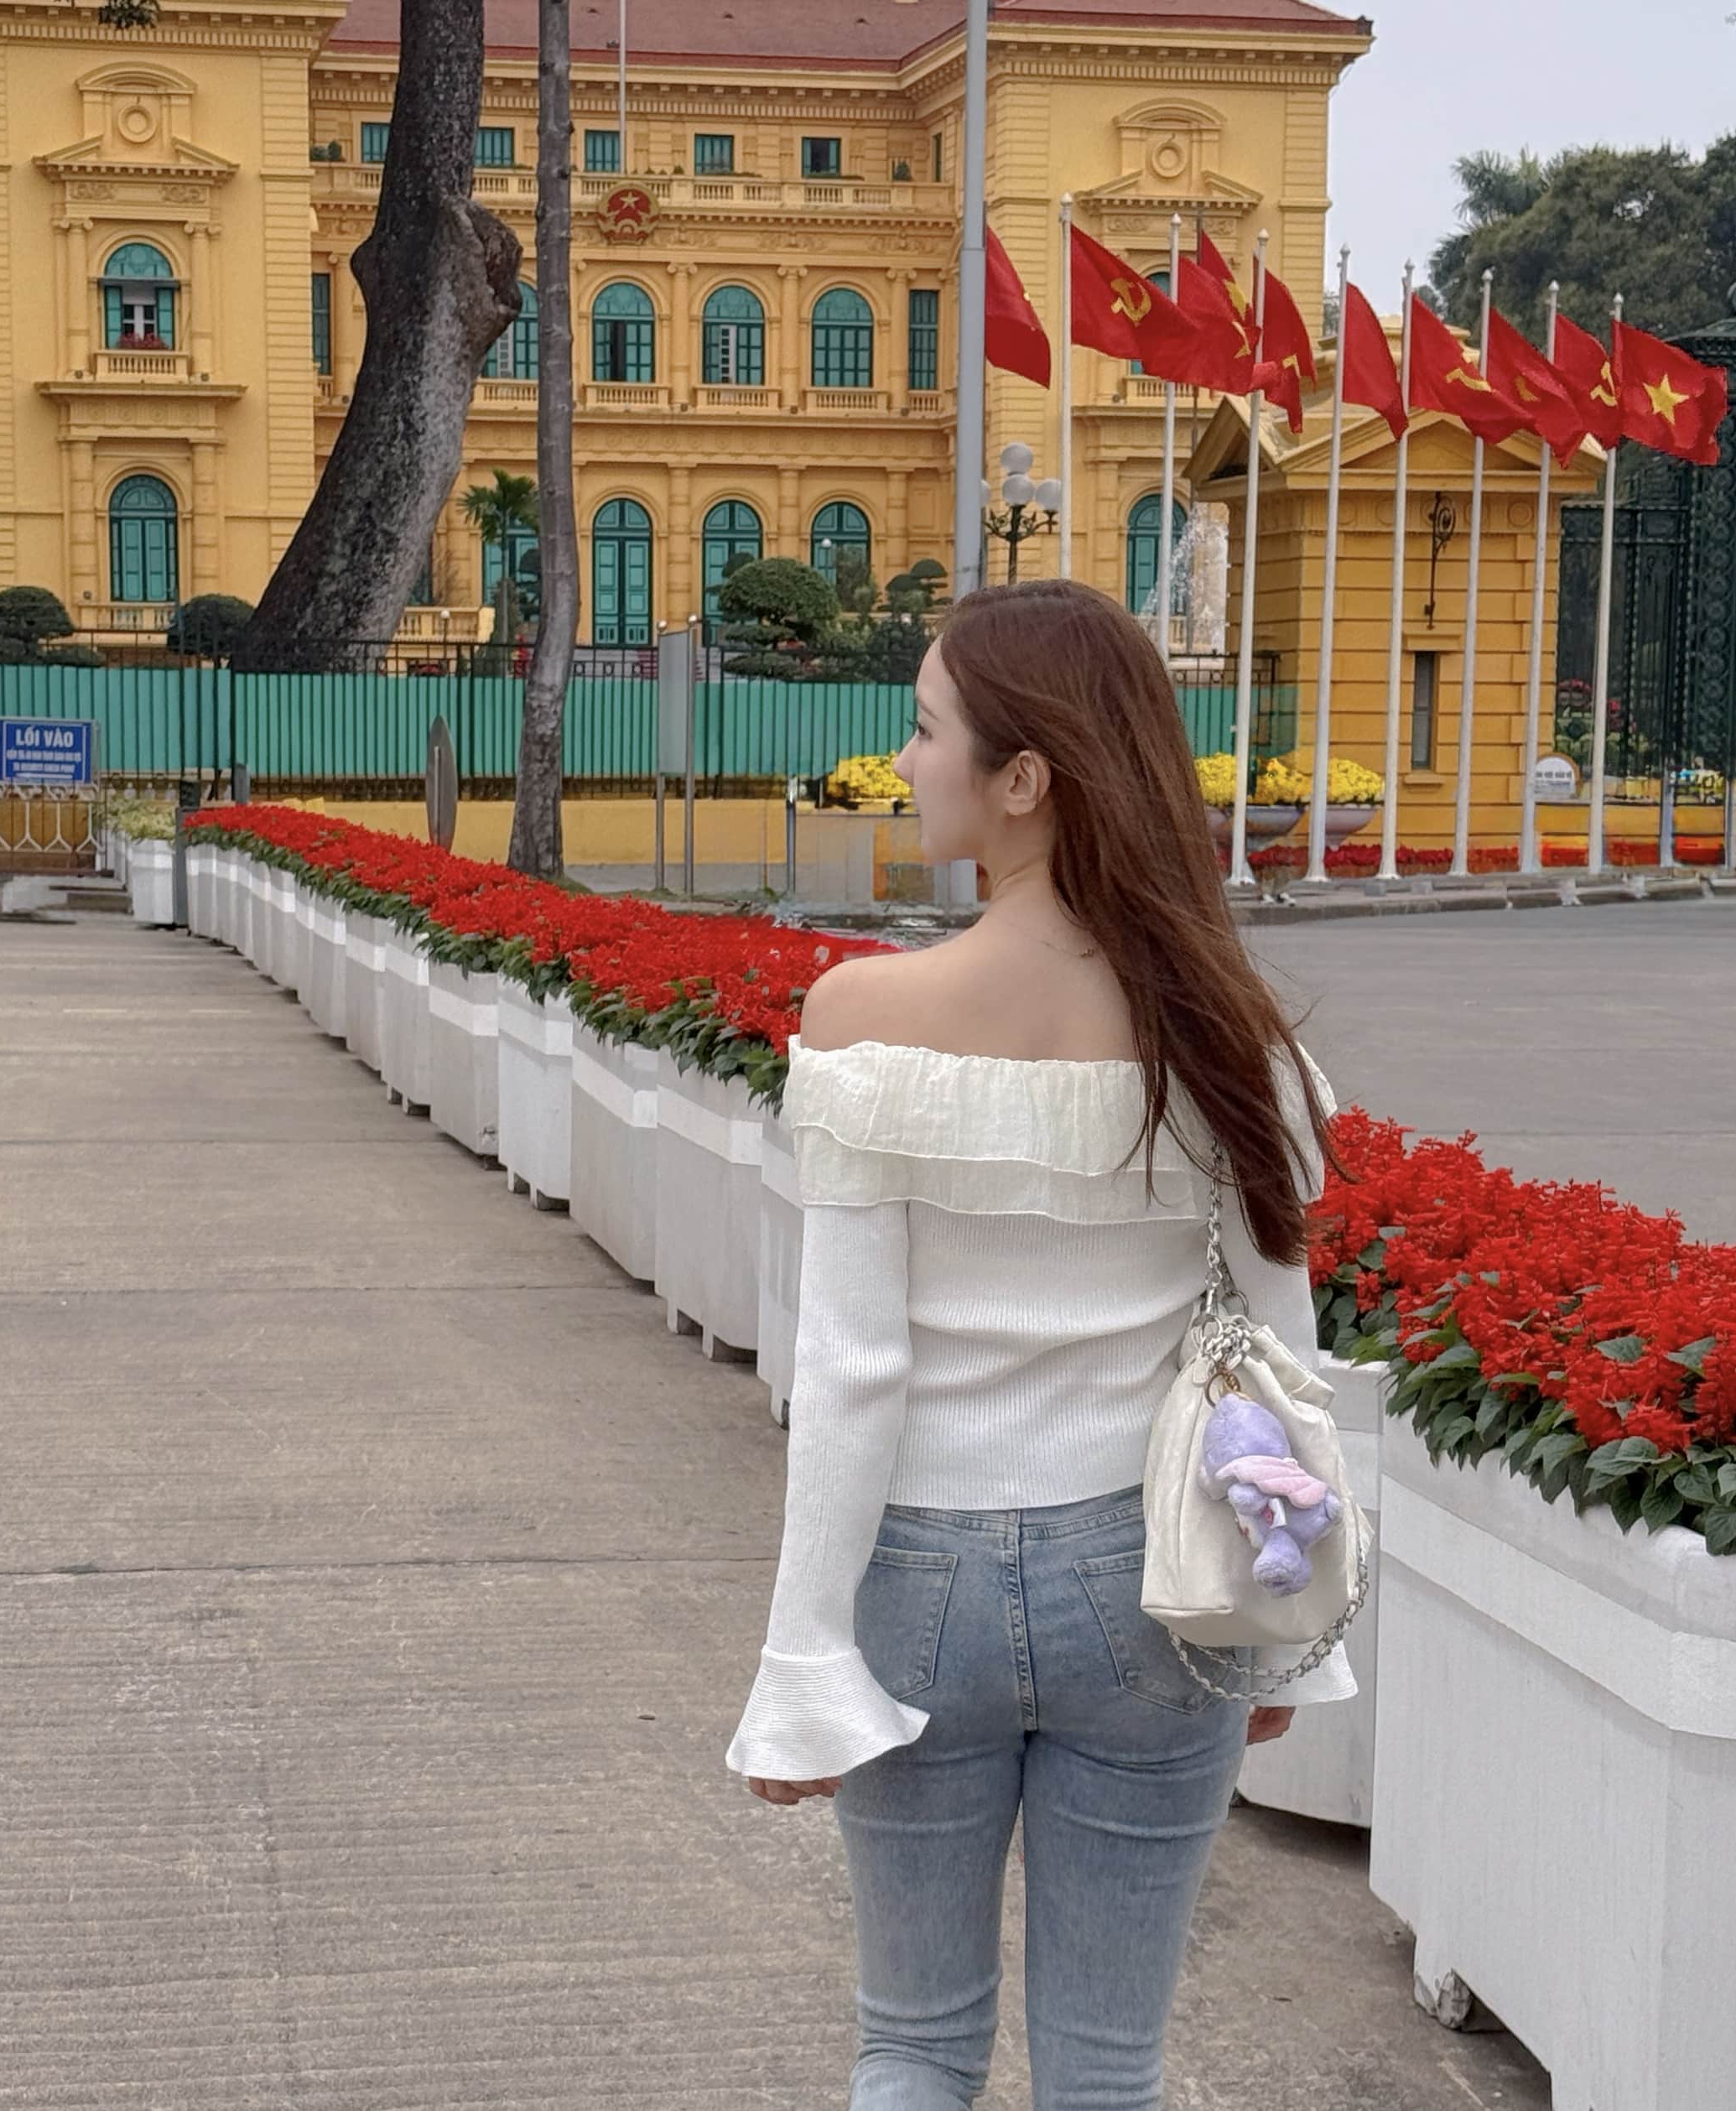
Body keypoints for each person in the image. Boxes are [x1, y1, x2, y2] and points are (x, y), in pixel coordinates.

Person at [724, 579, 1355, 2110]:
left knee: (911, 2045)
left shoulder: (865, 1014)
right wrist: (1291, 1626)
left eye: (925, 726)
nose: (905, 757)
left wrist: (803, 1656)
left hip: (916, 1579)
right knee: (1106, 2067)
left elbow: (852, 1368)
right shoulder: (1225, 1032)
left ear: (1024, 778)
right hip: (1151, 1583)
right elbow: (1282, 1356)